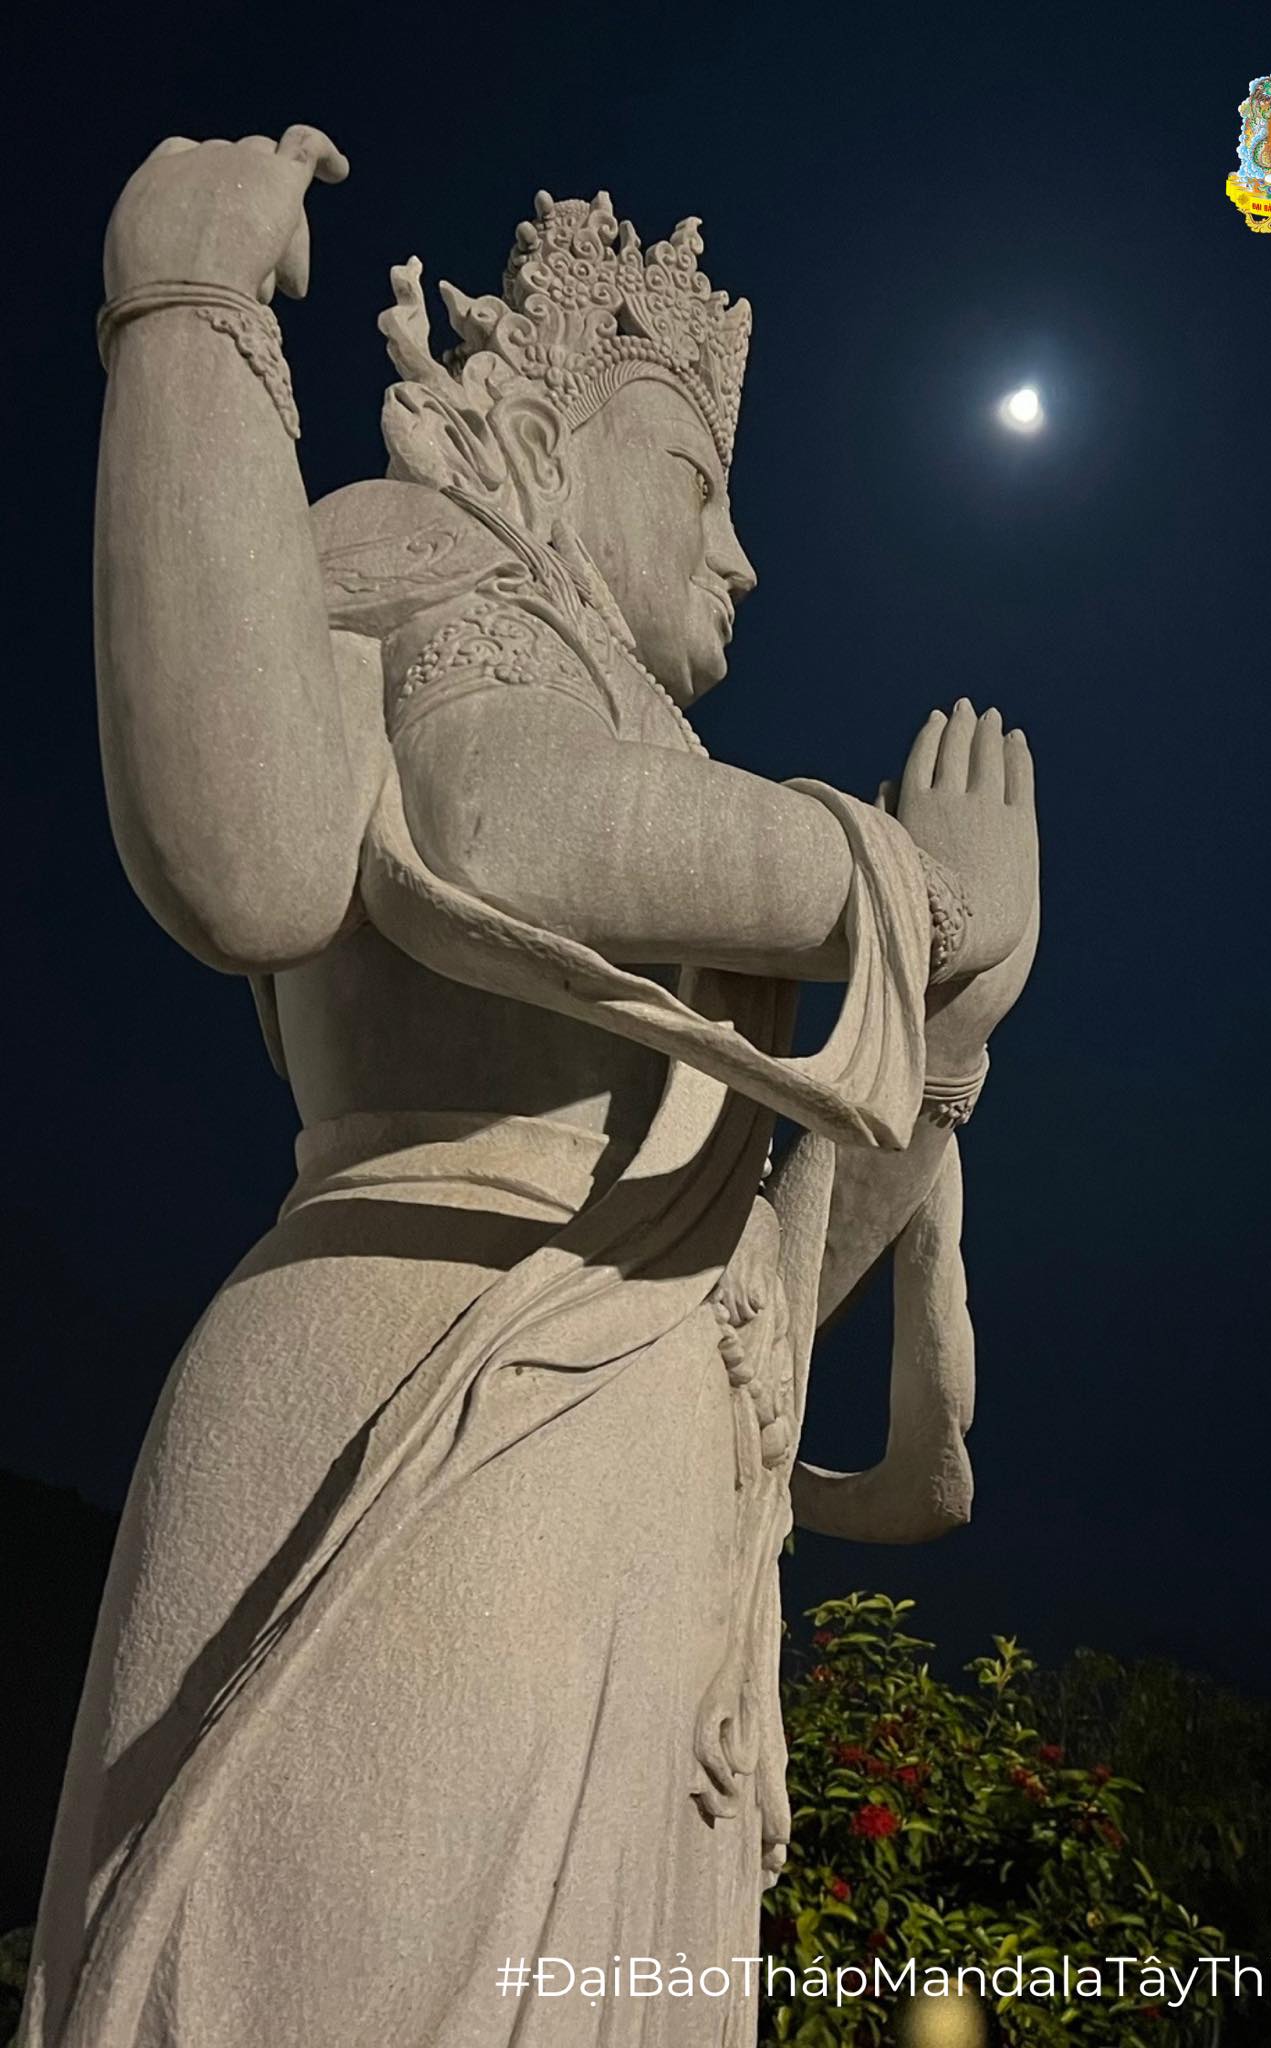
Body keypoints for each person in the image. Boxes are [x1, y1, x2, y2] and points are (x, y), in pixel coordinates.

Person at [22, 129, 1039, 2048]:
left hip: (641, 1504)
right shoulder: (443, 582)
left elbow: (757, 1310)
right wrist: (913, 891)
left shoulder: (663, 776)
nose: (741, 557)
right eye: (701, 487)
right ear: (549, 444)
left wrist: (955, 1036)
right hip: (414, 1383)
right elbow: (478, 823)